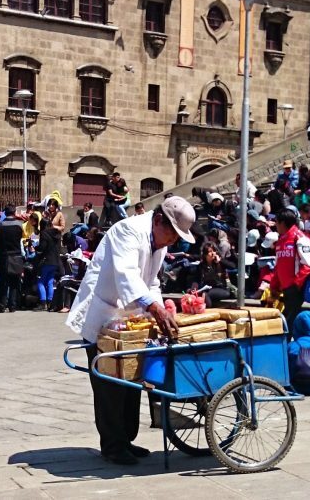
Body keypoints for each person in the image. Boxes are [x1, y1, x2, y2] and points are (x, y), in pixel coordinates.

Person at [66, 196, 195, 466]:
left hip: (128, 317)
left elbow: (151, 282)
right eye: (171, 235)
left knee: (131, 379)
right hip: (103, 313)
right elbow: (126, 274)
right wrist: (153, 308)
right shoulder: (129, 230)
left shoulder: (157, 242)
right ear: (159, 220)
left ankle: (126, 438)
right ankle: (113, 445)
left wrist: (161, 307)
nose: (171, 243)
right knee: (108, 383)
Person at [269, 209, 310, 329]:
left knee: (289, 322)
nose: (276, 226)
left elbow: (309, 264)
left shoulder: (300, 238)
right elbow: (279, 266)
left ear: (283, 223)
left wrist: (295, 284)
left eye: (277, 222)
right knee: (288, 321)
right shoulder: (281, 241)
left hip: (295, 288)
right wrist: (274, 286)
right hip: (285, 288)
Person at [0, 204, 26, 313]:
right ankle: (13, 306)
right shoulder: (19, 225)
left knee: (3, 282)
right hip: (16, 256)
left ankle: (1, 305)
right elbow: (21, 240)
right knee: (14, 283)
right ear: (14, 212)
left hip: (3, 256)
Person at [195, 241, 235, 308]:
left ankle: (208, 311)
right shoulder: (201, 266)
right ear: (205, 255)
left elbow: (233, 266)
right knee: (198, 293)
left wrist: (220, 261)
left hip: (222, 288)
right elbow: (197, 278)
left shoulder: (220, 263)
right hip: (208, 288)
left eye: (214, 251)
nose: (213, 253)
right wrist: (194, 286)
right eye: (210, 252)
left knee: (205, 294)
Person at [34, 218, 62, 310]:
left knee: (40, 281)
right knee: (50, 281)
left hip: (46, 260)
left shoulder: (44, 233)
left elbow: (42, 247)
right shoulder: (57, 233)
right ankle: (50, 302)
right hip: (55, 260)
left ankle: (43, 302)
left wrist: (35, 247)